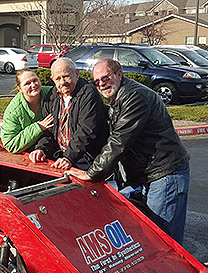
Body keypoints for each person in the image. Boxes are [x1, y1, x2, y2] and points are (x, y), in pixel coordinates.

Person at [66, 58, 190, 244]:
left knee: (165, 242)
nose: (101, 84)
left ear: (119, 74)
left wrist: (92, 173)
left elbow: (119, 141)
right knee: (153, 236)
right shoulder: (119, 99)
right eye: (96, 81)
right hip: (152, 176)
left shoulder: (135, 97)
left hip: (165, 174)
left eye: (105, 78)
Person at [30, 58, 108, 170]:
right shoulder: (52, 96)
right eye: (58, 78)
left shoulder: (88, 93)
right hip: (61, 154)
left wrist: (68, 158)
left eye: (66, 76)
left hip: (86, 158)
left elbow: (86, 131)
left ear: (77, 74)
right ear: (52, 79)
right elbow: (48, 129)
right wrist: (41, 148)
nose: (62, 82)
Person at [0, 69, 54, 153]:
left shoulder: (52, 93)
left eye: (35, 80)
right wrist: (37, 128)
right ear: (20, 88)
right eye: (27, 83)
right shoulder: (13, 111)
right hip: (28, 153)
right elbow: (10, 144)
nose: (33, 85)